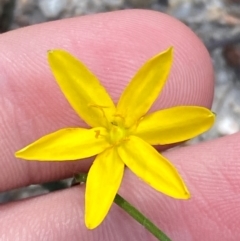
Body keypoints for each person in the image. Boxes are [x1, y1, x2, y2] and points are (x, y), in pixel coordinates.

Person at [0, 9, 239, 241]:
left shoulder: (142, 132)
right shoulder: (98, 129)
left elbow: (198, 119)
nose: (115, 129)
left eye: (116, 128)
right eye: (113, 128)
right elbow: (65, 69)